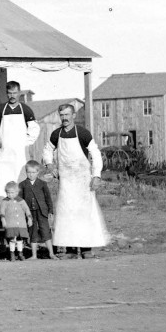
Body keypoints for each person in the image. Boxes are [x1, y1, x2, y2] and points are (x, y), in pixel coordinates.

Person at [43, 103, 108, 259]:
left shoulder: (83, 133)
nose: (64, 118)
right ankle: (71, 250)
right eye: (62, 115)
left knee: (84, 213)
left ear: (73, 115)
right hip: (66, 181)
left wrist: (96, 176)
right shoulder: (56, 134)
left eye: (67, 114)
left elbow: (95, 153)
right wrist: (50, 165)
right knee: (67, 214)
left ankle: (86, 249)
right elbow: (47, 150)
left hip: (83, 180)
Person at [0, 81, 40, 213]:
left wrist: (25, 143)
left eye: (15, 93)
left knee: (20, 182)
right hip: (5, 155)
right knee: (3, 183)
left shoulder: (25, 109)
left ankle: (22, 213)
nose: (12, 96)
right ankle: (0, 213)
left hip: (20, 155)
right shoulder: (0, 109)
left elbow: (35, 128)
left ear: (19, 93)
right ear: (6, 94)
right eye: (10, 93)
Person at [19, 160, 58, 260]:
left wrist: (50, 211)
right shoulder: (22, 185)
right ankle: (34, 255)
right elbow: (21, 200)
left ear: (37, 172)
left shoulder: (42, 184)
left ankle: (51, 253)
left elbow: (48, 198)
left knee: (45, 231)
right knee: (33, 232)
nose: (31, 174)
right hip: (30, 213)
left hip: (42, 212)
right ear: (26, 172)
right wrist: (23, 213)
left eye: (33, 172)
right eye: (29, 172)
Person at [0, 181, 32, 261]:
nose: (10, 195)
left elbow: (26, 209)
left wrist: (29, 218)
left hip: (21, 224)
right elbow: (2, 211)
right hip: (10, 224)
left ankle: (20, 253)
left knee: (20, 240)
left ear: (17, 192)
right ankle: (12, 254)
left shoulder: (21, 201)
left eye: (12, 193)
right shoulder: (5, 201)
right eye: (8, 193)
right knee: (12, 239)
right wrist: (3, 219)